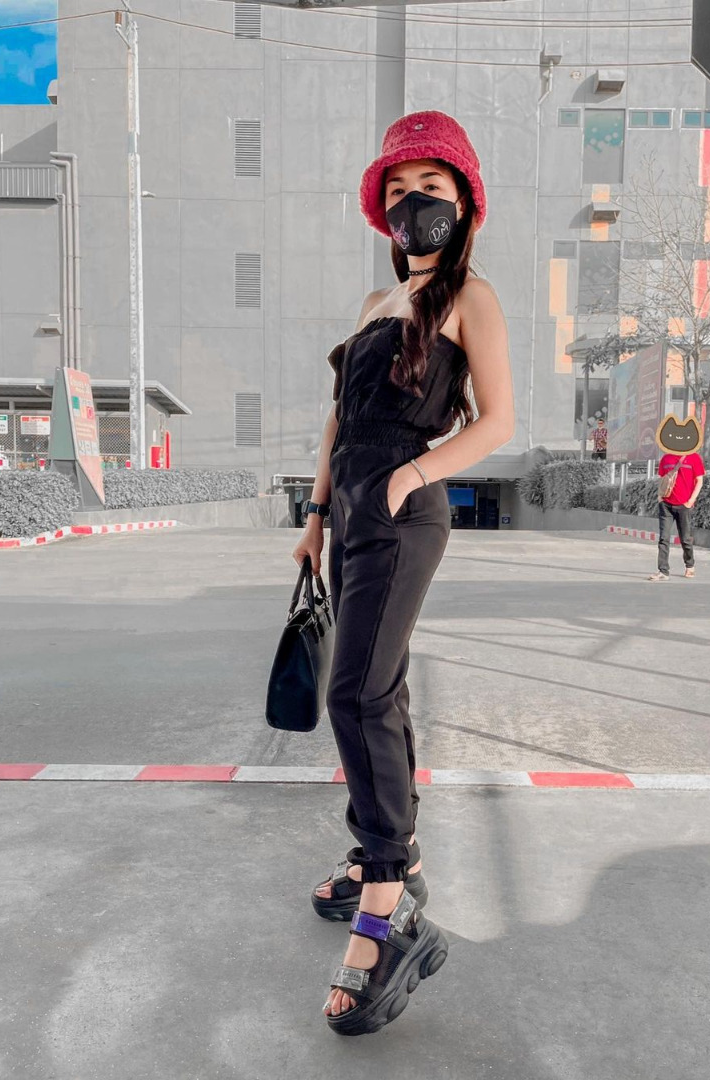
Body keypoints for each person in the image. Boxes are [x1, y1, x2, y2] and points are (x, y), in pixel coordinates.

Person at [291, 110, 514, 1035]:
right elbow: (339, 420)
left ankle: (388, 914)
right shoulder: (374, 304)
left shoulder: (473, 297)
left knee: (357, 694)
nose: (411, 203)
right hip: (349, 509)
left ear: (464, 203)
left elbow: (499, 421)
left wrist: (411, 476)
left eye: (429, 187)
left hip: (401, 507)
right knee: (380, 688)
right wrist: (315, 517)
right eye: (396, 190)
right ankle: (393, 855)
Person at [648, 435, 705, 582]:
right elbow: (663, 478)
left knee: (685, 538)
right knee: (663, 538)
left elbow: (699, 481)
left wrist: (690, 501)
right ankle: (663, 571)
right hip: (666, 504)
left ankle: (690, 565)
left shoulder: (694, 457)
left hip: (684, 505)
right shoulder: (666, 458)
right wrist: (660, 498)